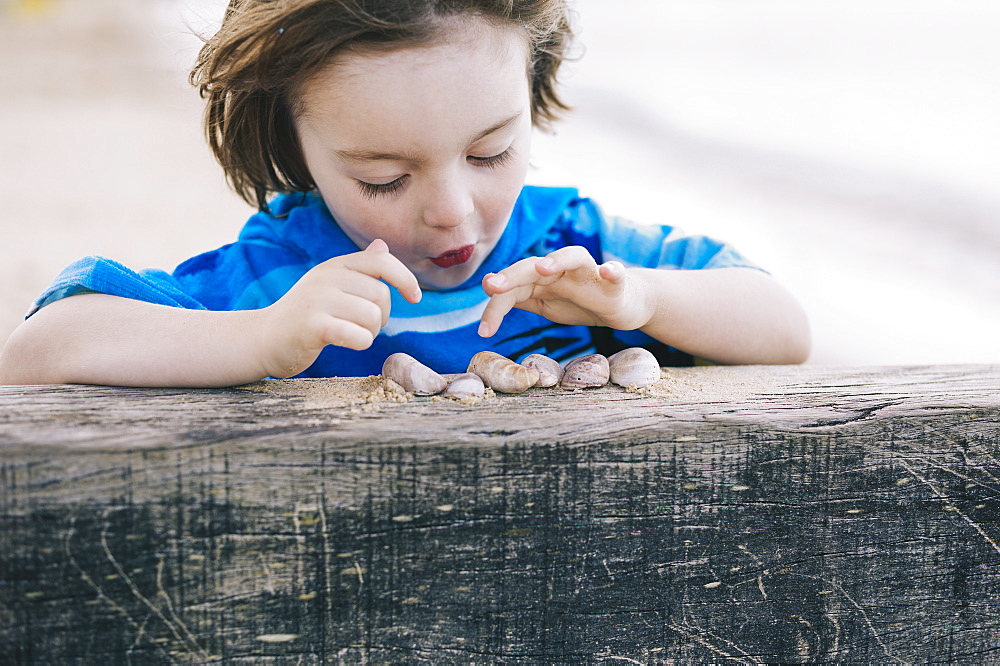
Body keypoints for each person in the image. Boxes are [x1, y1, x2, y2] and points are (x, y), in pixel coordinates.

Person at [0, 0, 810, 388]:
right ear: (297, 150)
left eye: (491, 151)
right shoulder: (286, 282)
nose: (453, 211)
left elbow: (786, 329)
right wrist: (259, 338)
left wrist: (641, 298)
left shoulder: (577, 252)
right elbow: (36, 354)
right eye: (384, 177)